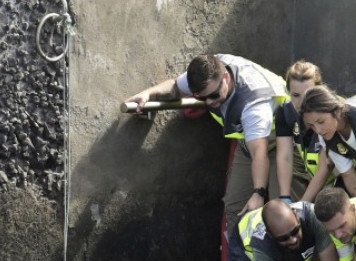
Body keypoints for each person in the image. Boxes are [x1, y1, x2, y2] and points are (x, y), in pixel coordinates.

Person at [126, 53, 304, 224]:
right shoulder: (209, 70)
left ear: (226, 78)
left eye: (213, 95)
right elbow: (175, 86)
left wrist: (258, 192)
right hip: (250, 143)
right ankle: (244, 254)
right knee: (236, 209)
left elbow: (260, 153)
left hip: (286, 143)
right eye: (202, 98)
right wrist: (149, 94)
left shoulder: (253, 105)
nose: (209, 102)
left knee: (284, 213)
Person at [276, 60, 338, 203]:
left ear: (320, 90)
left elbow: (326, 167)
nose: (301, 102)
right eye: (295, 95)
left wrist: (302, 205)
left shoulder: (332, 112)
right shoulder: (285, 112)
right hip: (309, 170)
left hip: (341, 175)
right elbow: (285, 156)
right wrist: (285, 198)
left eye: (308, 94)